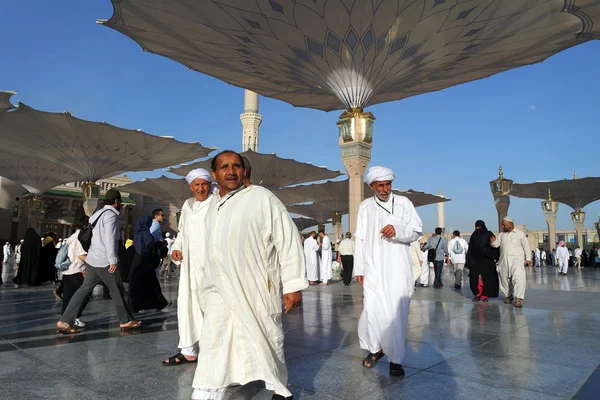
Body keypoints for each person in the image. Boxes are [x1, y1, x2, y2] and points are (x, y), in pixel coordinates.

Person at [191, 150, 306, 400]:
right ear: (214, 174)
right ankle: (205, 394)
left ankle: (280, 388)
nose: (231, 171)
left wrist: (293, 285)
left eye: (236, 166)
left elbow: (287, 241)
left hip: (255, 289)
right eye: (224, 167)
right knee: (214, 344)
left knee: (267, 341)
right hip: (219, 291)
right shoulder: (213, 205)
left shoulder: (262, 197)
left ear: (244, 171)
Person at [354, 166, 423, 377]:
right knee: (372, 310)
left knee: (396, 315)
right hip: (374, 267)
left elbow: (417, 230)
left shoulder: (404, 203)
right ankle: (376, 349)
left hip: (398, 269)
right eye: (380, 185)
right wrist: (359, 268)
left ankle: (396, 360)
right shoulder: (366, 207)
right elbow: (361, 239)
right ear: (371, 186)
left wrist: (398, 230)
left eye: (388, 184)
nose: (385, 189)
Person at [56, 189, 141, 334]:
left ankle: (64, 320)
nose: (120, 204)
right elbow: (109, 239)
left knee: (83, 290)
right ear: (116, 202)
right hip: (104, 261)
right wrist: (113, 260)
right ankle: (125, 321)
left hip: (92, 260)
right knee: (117, 290)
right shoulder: (110, 216)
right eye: (120, 202)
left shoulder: (97, 215)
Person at [163, 168, 212, 366]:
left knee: (212, 308)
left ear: (210, 184)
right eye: (196, 185)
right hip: (190, 267)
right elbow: (182, 233)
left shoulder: (217, 202)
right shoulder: (188, 204)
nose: (201, 188)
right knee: (188, 307)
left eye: (204, 184)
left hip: (211, 266)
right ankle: (189, 351)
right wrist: (176, 248)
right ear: (191, 187)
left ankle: (214, 353)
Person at [128, 216, 171, 313]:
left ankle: (133, 306)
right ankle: (161, 303)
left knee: (136, 284)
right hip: (145, 261)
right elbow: (151, 245)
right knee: (153, 283)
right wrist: (161, 243)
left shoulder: (137, 233)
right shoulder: (145, 233)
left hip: (137, 260)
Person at [490, 216, 531, 308]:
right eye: (502, 225)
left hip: (517, 261)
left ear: (510, 224)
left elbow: (526, 246)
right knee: (504, 279)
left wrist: (528, 258)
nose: (503, 227)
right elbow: (496, 245)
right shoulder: (501, 235)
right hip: (504, 261)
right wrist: (492, 241)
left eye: (504, 225)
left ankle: (518, 299)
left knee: (518, 279)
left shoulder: (520, 234)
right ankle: (508, 296)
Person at [61, 216, 90, 328]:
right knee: (84, 295)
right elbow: (81, 255)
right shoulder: (80, 238)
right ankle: (75, 317)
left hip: (68, 271)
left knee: (68, 297)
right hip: (77, 271)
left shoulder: (71, 237)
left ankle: (65, 319)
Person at [466, 220, 499, 302]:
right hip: (478, 260)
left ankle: (483, 294)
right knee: (477, 278)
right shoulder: (475, 235)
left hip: (485, 261)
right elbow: (471, 249)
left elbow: (494, 245)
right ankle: (479, 294)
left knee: (485, 278)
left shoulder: (486, 234)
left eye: (479, 227)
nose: (478, 229)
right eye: (476, 227)